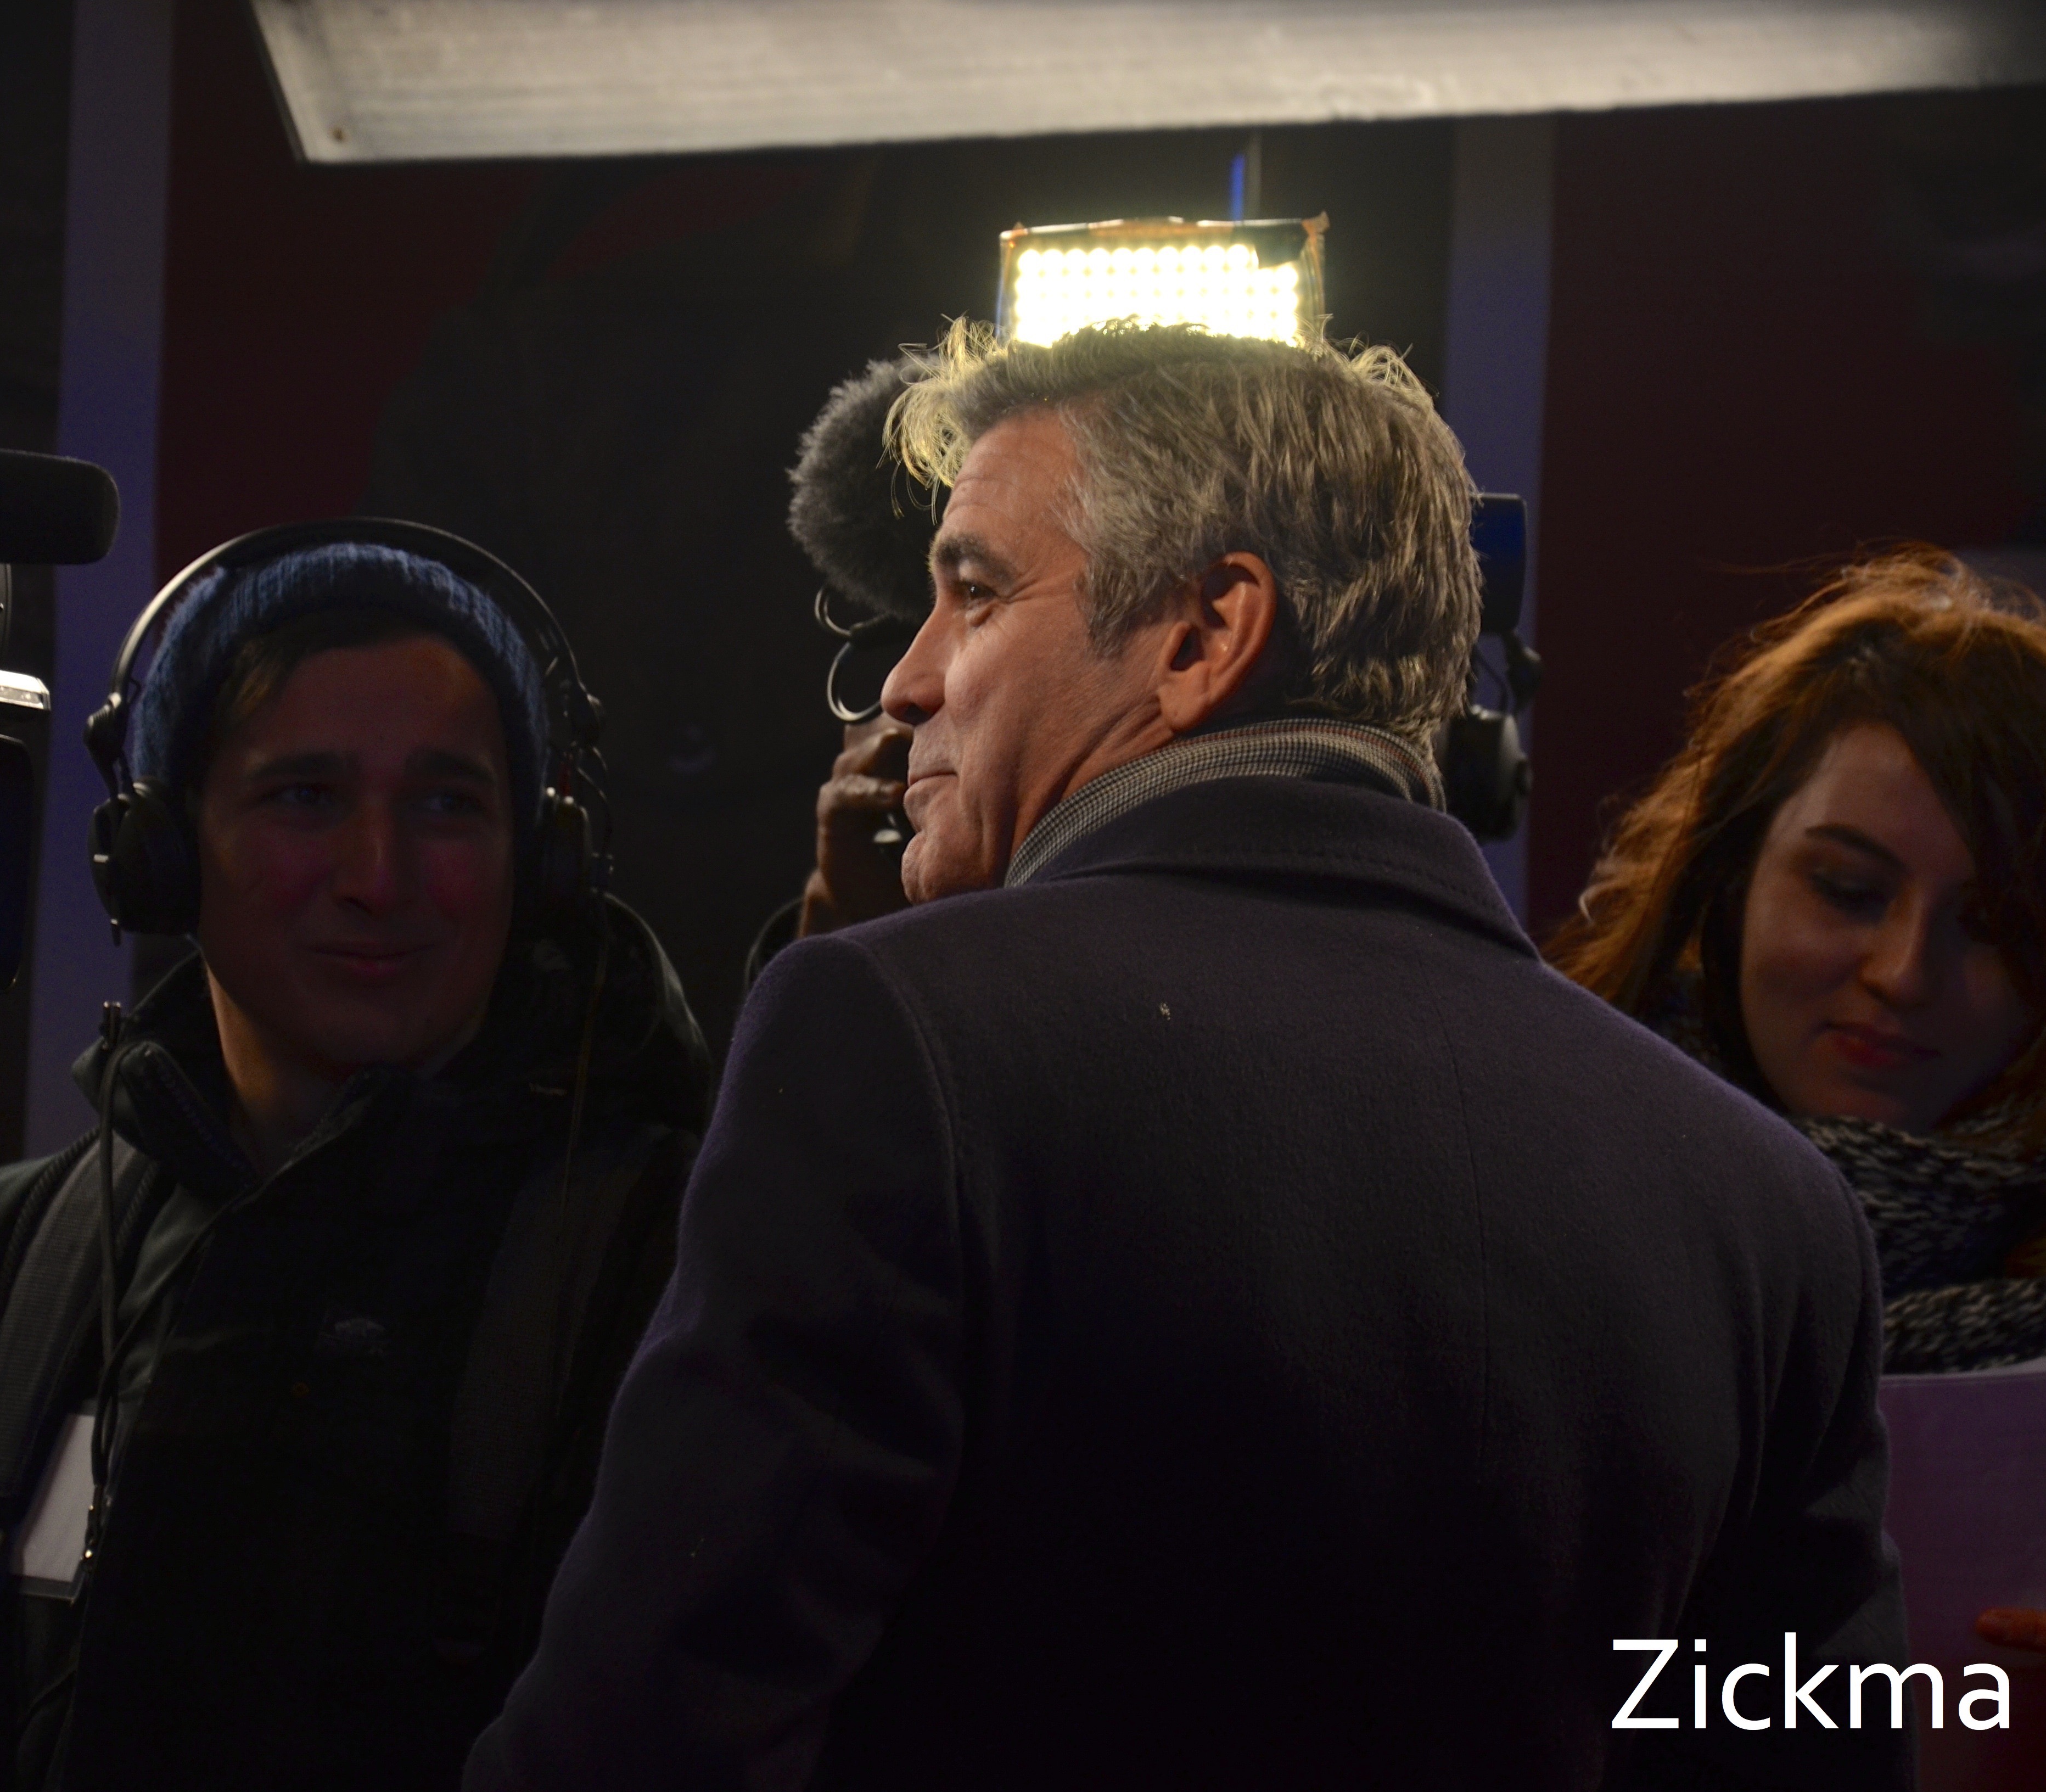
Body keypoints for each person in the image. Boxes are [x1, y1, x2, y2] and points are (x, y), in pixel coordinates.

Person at [466, 321, 1908, 1789]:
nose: (905, 682)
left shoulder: (891, 1039)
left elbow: (639, 1750)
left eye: (974, 594)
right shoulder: (1771, 1209)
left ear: (1207, 635)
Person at [0, 525, 709, 1790]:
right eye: (304, 796)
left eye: (447, 803)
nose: (377, 877)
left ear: (543, 858)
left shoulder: (677, 1277)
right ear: (159, 849)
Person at [1547, 548, 2046, 1659]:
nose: (1902, 974)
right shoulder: (1532, 1215)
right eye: (1848, 891)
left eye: (1993, 926)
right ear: (1729, 883)